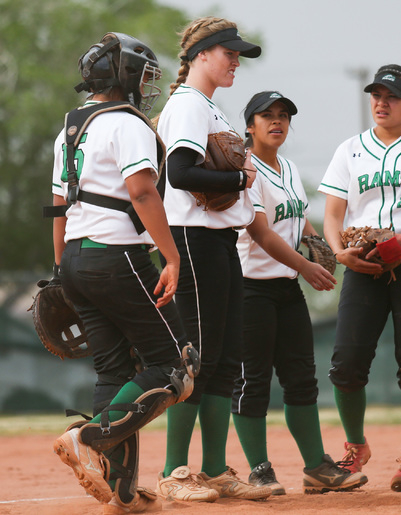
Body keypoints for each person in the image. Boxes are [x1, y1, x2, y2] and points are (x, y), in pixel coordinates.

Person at [49, 32, 199, 515]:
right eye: (144, 73)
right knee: (175, 368)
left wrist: (59, 271)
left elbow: (58, 207)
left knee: (116, 370)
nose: (148, 84)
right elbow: (141, 192)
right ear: (127, 76)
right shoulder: (126, 123)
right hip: (117, 256)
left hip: (76, 255)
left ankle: (123, 491)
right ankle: (88, 438)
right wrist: (171, 256)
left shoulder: (69, 129)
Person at [319, 65, 401, 492]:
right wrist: (340, 252)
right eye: (376, 94)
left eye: (391, 96)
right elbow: (333, 214)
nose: (381, 102)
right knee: (346, 365)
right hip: (363, 262)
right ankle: (356, 445)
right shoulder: (350, 149)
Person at [154, 17, 272, 502]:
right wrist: (240, 181)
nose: (236, 61)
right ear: (201, 54)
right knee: (198, 355)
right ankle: (174, 472)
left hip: (219, 241)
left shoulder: (209, 107)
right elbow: (180, 173)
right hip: (194, 237)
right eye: (229, 52)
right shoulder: (186, 105)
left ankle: (217, 469)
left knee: (223, 359)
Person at [231, 91, 368, 495]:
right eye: (267, 116)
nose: (277, 122)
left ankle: (315, 468)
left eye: (283, 116)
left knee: (301, 381)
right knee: (252, 383)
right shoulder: (245, 169)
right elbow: (259, 231)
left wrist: (323, 248)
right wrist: (305, 266)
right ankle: (259, 470)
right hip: (249, 290)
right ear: (250, 126)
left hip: (286, 289)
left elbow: (300, 220)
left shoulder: (288, 168)